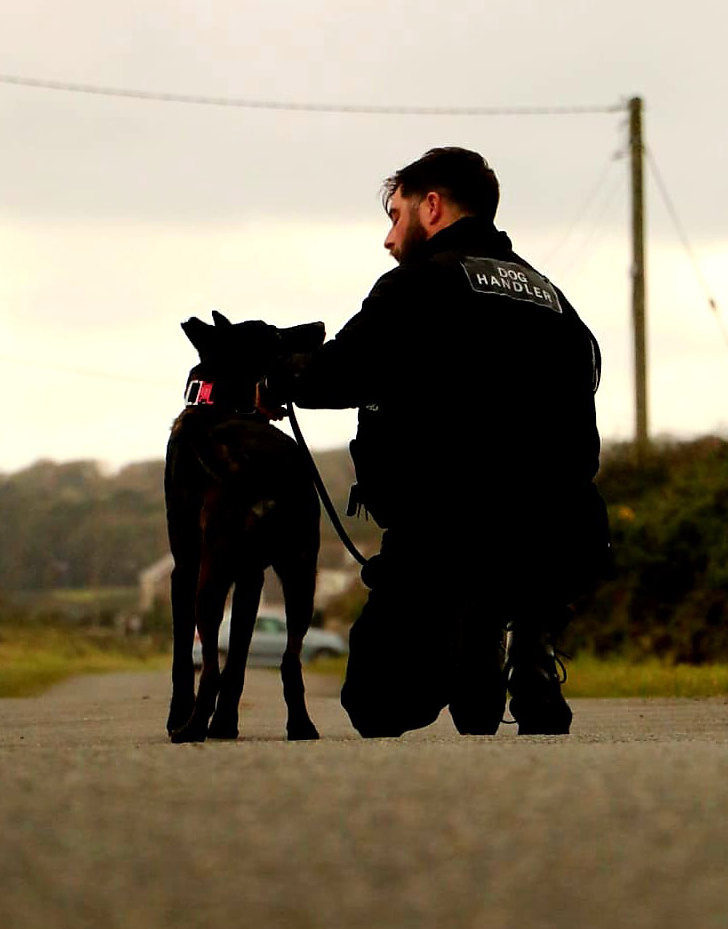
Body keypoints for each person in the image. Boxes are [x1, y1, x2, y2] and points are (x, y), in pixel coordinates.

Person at [258, 147, 610, 738]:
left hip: (446, 536)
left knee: (375, 705)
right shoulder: (551, 297)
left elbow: (339, 372)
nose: (389, 239)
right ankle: (523, 640)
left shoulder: (419, 285)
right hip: (561, 538)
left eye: (395, 217)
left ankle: (473, 640)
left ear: (432, 206)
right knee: (504, 581)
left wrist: (275, 378)